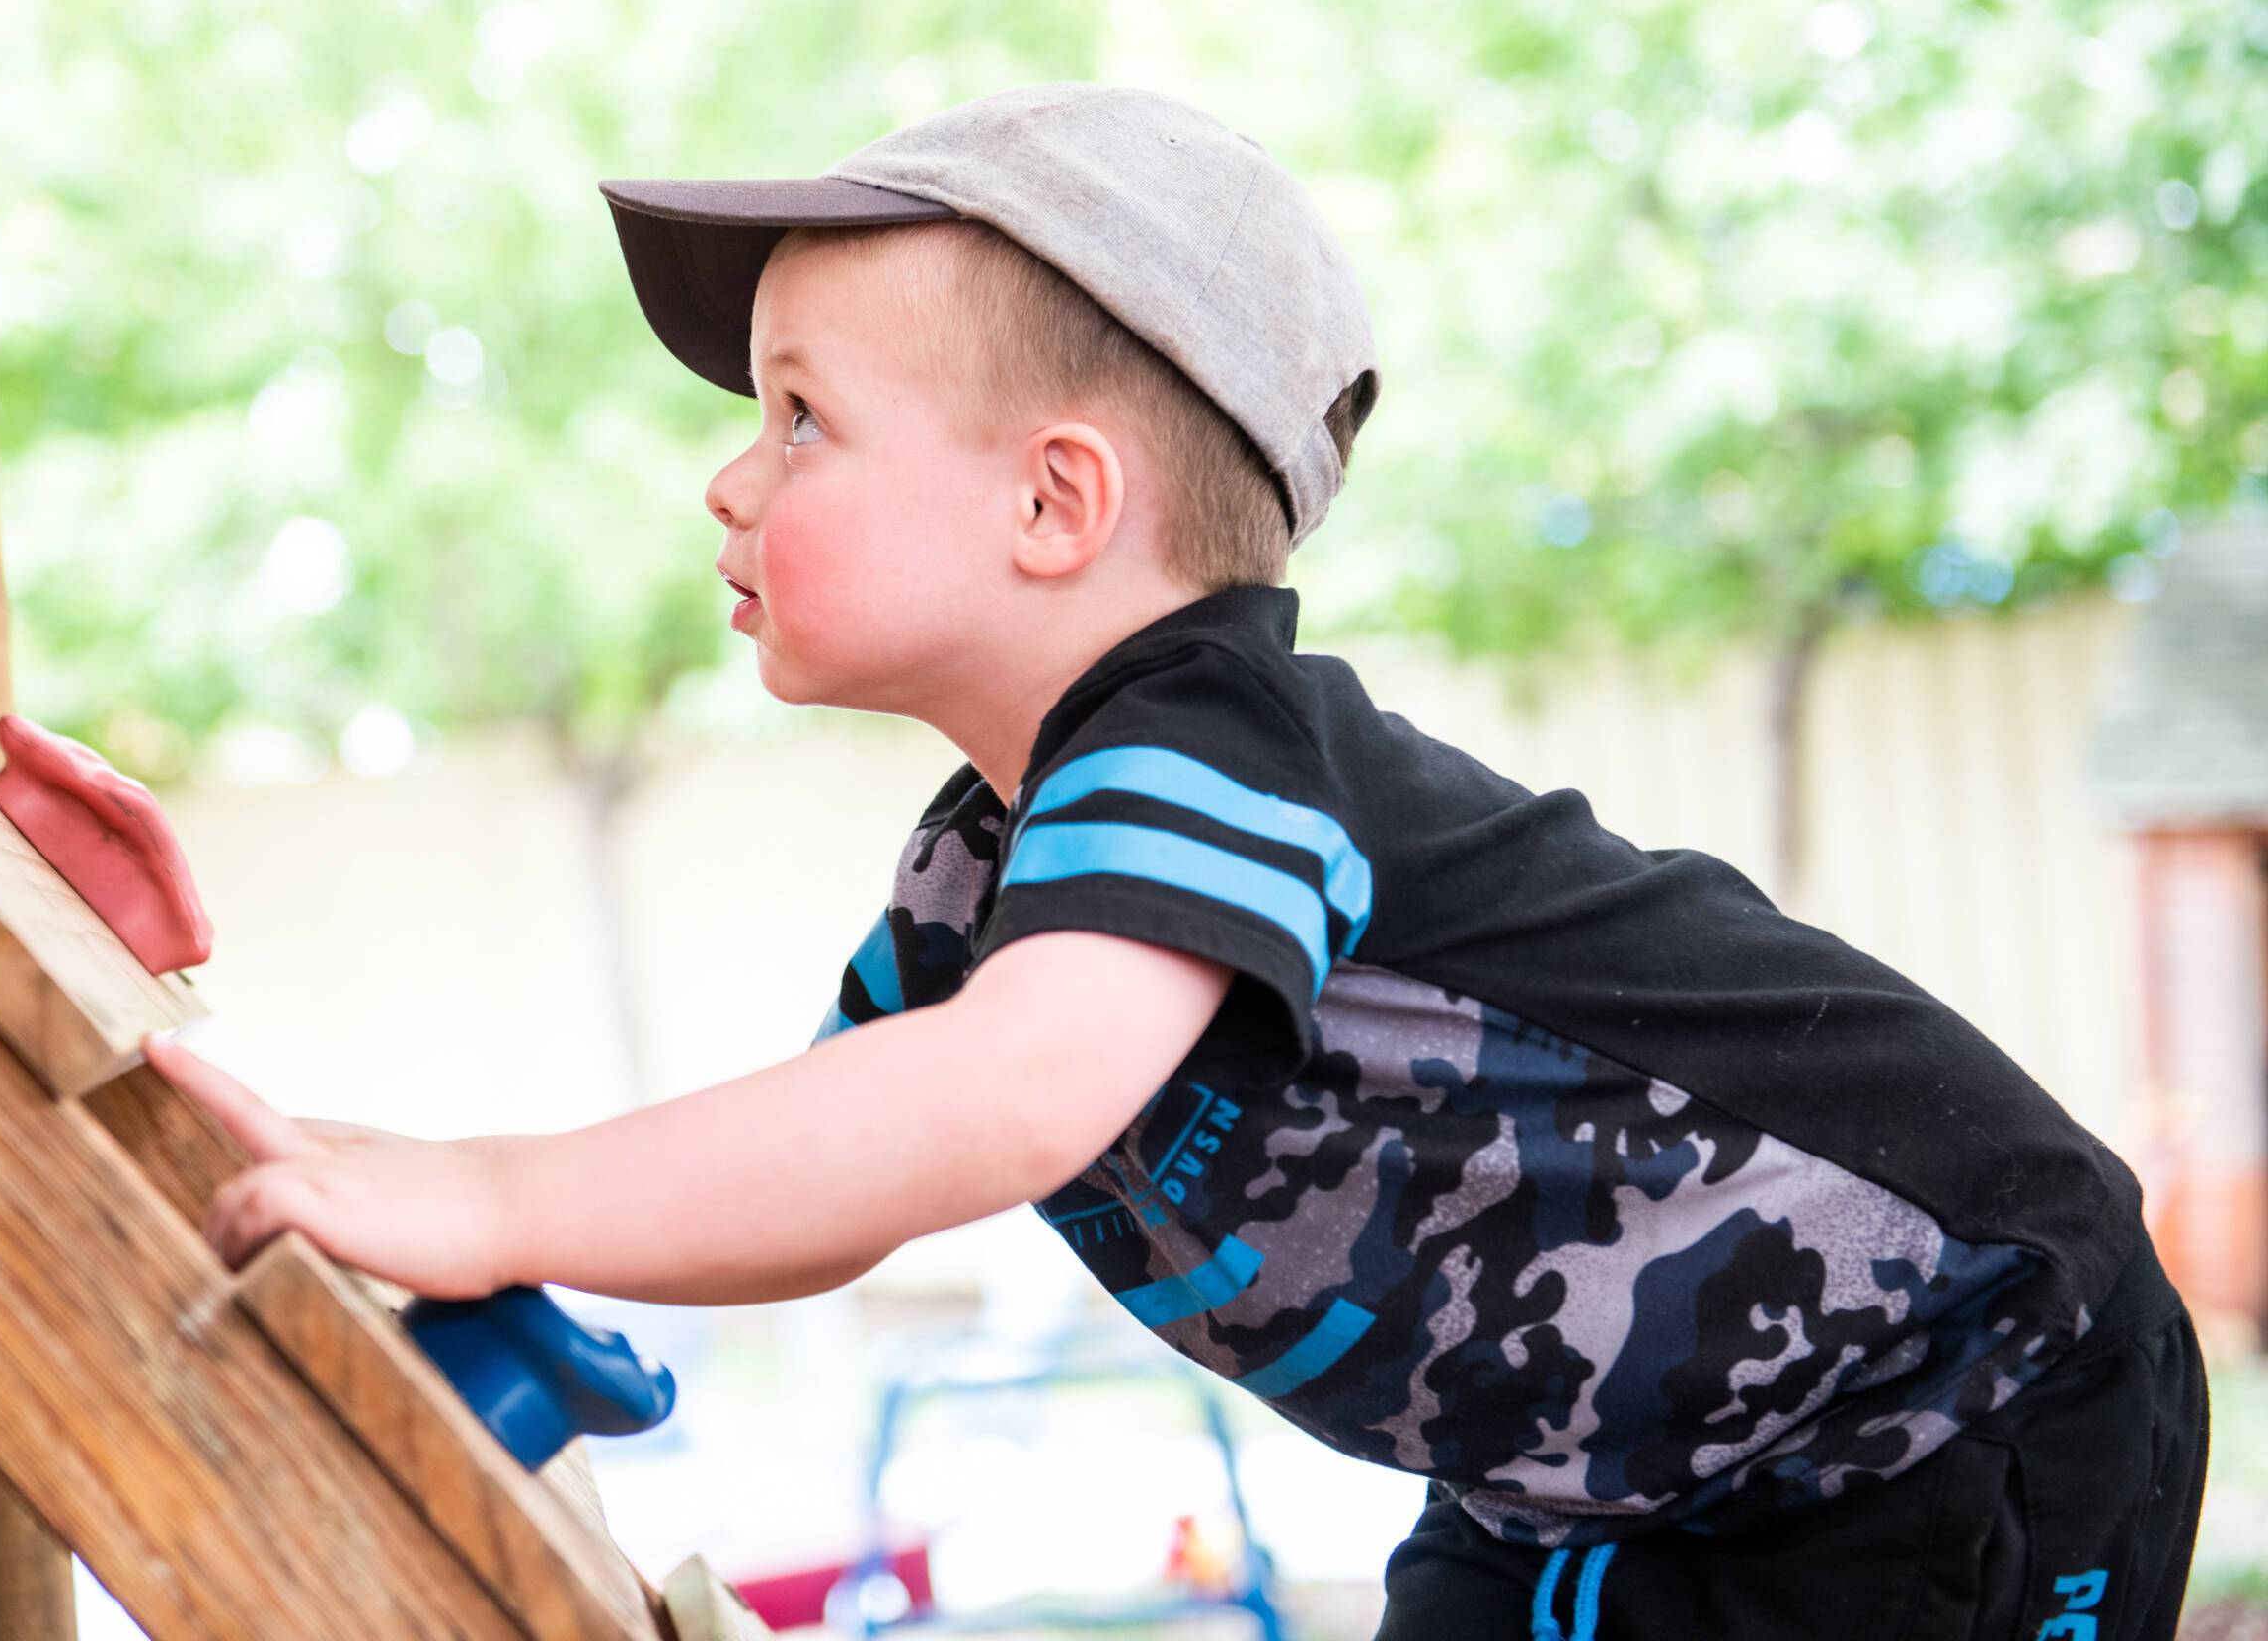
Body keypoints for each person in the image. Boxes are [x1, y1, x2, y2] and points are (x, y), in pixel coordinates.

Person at [147, 84, 2204, 1639]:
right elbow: (831, 1162)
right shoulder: (996, 874)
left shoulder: (1213, 737)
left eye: (799, 420)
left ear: (1056, 501)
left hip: (1949, 1385)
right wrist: (409, 1189)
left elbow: (993, 1101)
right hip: (1582, 1481)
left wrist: (492, 1190)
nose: (730, 473)